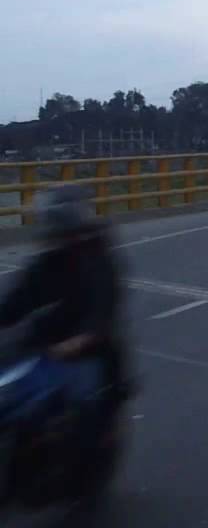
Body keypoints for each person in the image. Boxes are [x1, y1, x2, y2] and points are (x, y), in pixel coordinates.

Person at [0, 184, 133, 455]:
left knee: (83, 406)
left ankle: (83, 473)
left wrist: (81, 339)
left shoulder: (97, 257)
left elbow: (103, 305)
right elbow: (19, 299)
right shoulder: (49, 260)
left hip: (90, 348)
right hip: (48, 339)